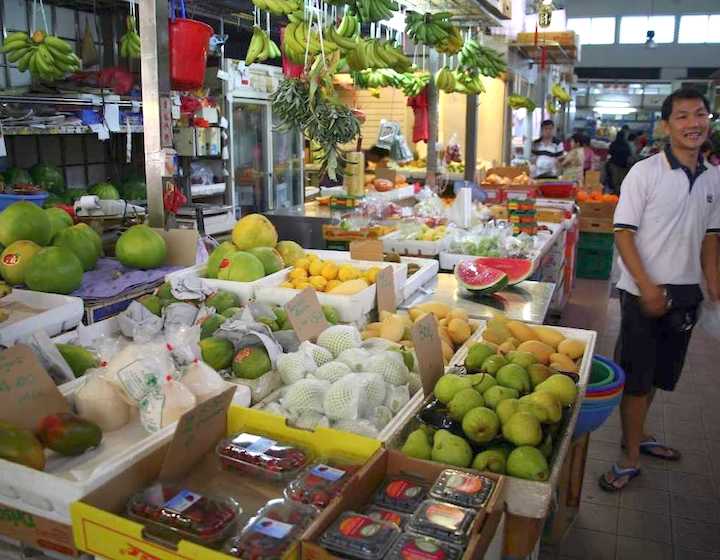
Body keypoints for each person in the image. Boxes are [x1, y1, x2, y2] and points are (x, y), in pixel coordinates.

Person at [599, 88, 720, 492]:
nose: (693, 123)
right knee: (636, 378)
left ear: (709, 120)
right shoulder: (645, 172)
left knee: (658, 377)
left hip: (685, 295)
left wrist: (713, 282)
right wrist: (647, 286)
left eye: (699, 114)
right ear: (666, 126)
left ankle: (637, 434)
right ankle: (630, 456)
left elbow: (710, 237)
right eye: (682, 116)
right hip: (642, 292)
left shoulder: (713, 177)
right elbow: (623, 232)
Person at [606, 129, 632, 194]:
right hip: (623, 165)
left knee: (615, 181)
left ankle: (615, 193)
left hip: (614, 164)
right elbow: (629, 154)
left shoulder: (614, 144)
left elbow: (610, 152)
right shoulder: (626, 145)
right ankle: (620, 194)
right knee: (621, 181)